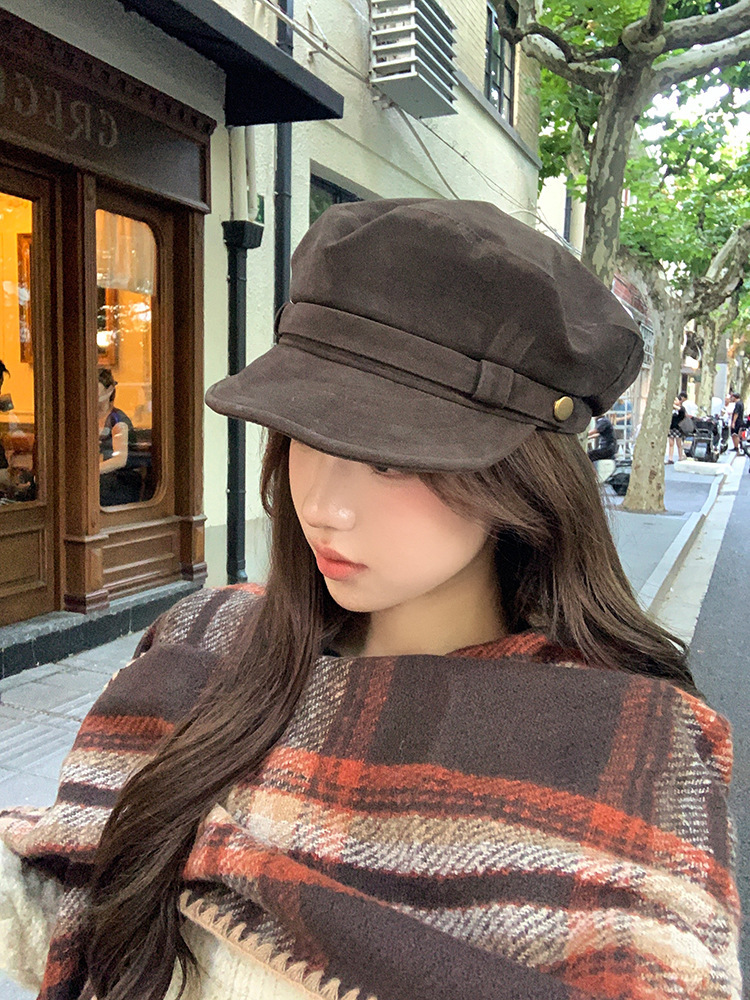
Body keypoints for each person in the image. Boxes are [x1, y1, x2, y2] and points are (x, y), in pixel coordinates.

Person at [0, 201, 741, 1000]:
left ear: (518, 477)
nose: (324, 506)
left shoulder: (626, 746)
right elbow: (69, 900)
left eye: (389, 460)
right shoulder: (201, 638)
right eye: (306, 437)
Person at [98, 367, 142, 506]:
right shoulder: (89, 418)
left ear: (109, 390)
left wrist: (92, 471)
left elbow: (120, 460)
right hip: (101, 478)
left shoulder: (118, 420)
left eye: (95, 389)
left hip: (119, 481)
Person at [667, 393, 686, 463]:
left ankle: (680, 457)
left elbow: (680, 411)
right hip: (671, 427)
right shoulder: (671, 409)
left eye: (676, 400)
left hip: (678, 428)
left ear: (680, 401)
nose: (674, 402)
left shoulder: (682, 409)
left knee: (679, 444)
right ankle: (670, 458)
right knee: (671, 444)